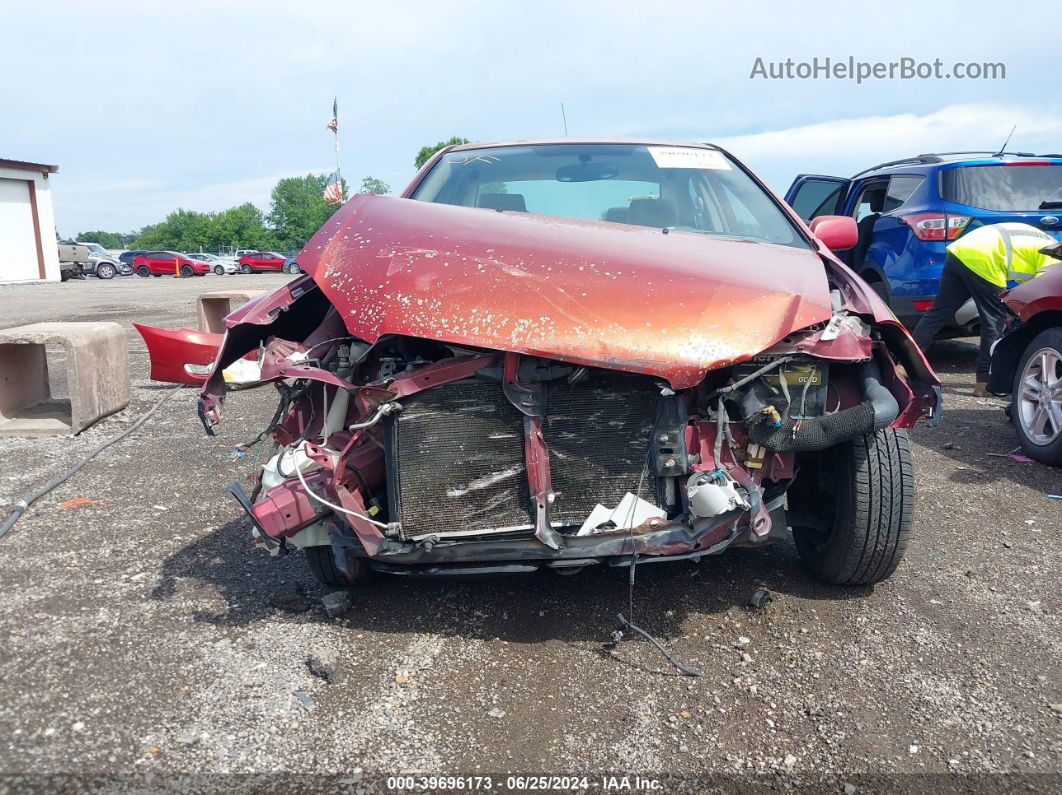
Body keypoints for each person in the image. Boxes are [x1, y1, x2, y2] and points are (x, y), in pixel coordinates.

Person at [912, 223, 1061, 396]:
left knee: (937, 313)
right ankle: (984, 382)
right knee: (994, 321)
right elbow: (1037, 297)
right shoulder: (1055, 261)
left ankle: (904, 364)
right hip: (985, 258)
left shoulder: (1050, 244)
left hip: (961, 251)